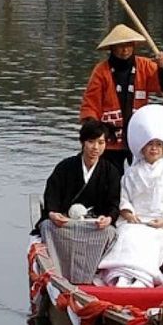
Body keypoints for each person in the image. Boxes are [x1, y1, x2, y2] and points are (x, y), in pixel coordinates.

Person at [97, 104, 163, 288]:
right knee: (126, 235)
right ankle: (121, 276)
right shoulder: (132, 172)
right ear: (142, 147)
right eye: (150, 144)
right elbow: (123, 196)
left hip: (159, 224)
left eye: (158, 145)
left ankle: (143, 279)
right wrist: (128, 212)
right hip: (135, 220)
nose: (154, 149)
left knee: (152, 241)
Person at [33, 119, 121, 284]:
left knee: (110, 233)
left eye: (101, 142)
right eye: (91, 142)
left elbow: (114, 203)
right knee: (48, 227)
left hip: (93, 225)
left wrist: (108, 218)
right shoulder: (65, 167)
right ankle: (59, 274)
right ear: (82, 142)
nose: (96, 147)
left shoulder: (111, 172)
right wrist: (53, 214)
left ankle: (92, 276)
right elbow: (51, 194)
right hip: (66, 223)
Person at [80, 23, 163, 172]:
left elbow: (162, 88)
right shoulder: (101, 71)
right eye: (120, 46)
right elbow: (91, 104)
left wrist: (162, 68)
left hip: (137, 137)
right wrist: (93, 133)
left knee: (140, 177)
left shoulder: (145, 66)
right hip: (110, 139)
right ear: (112, 48)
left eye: (129, 45)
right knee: (110, 178)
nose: (125, 50)